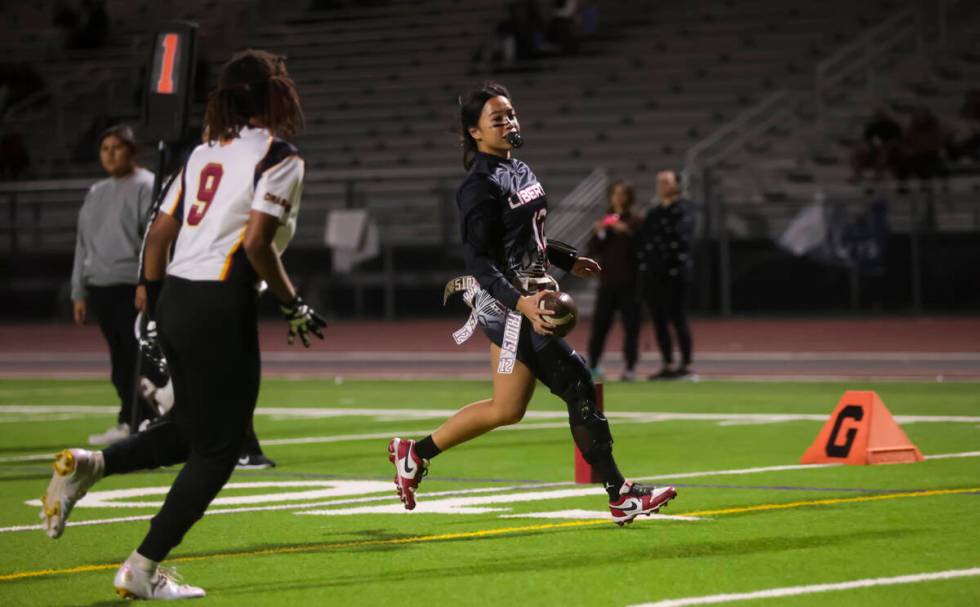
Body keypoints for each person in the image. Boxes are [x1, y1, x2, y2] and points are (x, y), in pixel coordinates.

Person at [40, 49, 326, 600]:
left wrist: (149, 301)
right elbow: (257, 243)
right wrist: (293, 304)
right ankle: (142, 569)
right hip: (221, 302)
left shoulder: (201, 153)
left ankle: (91, 465)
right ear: (272, 94)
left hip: (176, 298)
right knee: (222, 449)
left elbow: (160, 230)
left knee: (192, 430)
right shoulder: (279, 156)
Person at [388, 82, 676, 525]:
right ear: (474, 134)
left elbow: (527, 236)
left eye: (511, 114)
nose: (509, 123)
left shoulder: (519, 169)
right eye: (497, 119)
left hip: (528, 293)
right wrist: (520, 303)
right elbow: (481, 262)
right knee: (577, 380)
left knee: (506, 409)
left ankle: (415, 453)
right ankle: (620, 494)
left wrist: (566, 258)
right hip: (507, 302)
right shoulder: (478, 186)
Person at [70, 124, 155, 444]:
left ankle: (146, 423)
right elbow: (82, 244)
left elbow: (152, 239)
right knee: (120, 364)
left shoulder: (147, 186)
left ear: (132, 151)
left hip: (132, 288)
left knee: (140, 361)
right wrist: (79, 290)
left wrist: (147, 281)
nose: (109, 154)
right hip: (101, 287)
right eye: (104, 149)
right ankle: (129, 421)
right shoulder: (96, 192)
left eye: (116, 148)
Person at [636, 170, 695, 379]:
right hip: (654, 275)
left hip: (675, 274)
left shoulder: (683, 209)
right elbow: (644, 240)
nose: (662, 185)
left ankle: (686, 364)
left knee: (678, 318)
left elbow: (680, 240)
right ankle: (668, 363)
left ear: (677, 184)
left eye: (666, 182)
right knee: (659, 319)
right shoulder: (654, 213)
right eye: (659, 182)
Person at [585, 180, 642, 381]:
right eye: (616, 193)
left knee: (631, 326)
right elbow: (592, 249)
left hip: (630, 283)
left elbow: (641, 248)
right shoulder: (606, 221)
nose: (619, 198)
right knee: (599, 326)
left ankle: (630, 367)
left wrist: (625, 231)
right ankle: (593, 365)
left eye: (623, 194)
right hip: (607, 283)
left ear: (629, 197)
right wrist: (599, 231)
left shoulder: (635, 221)